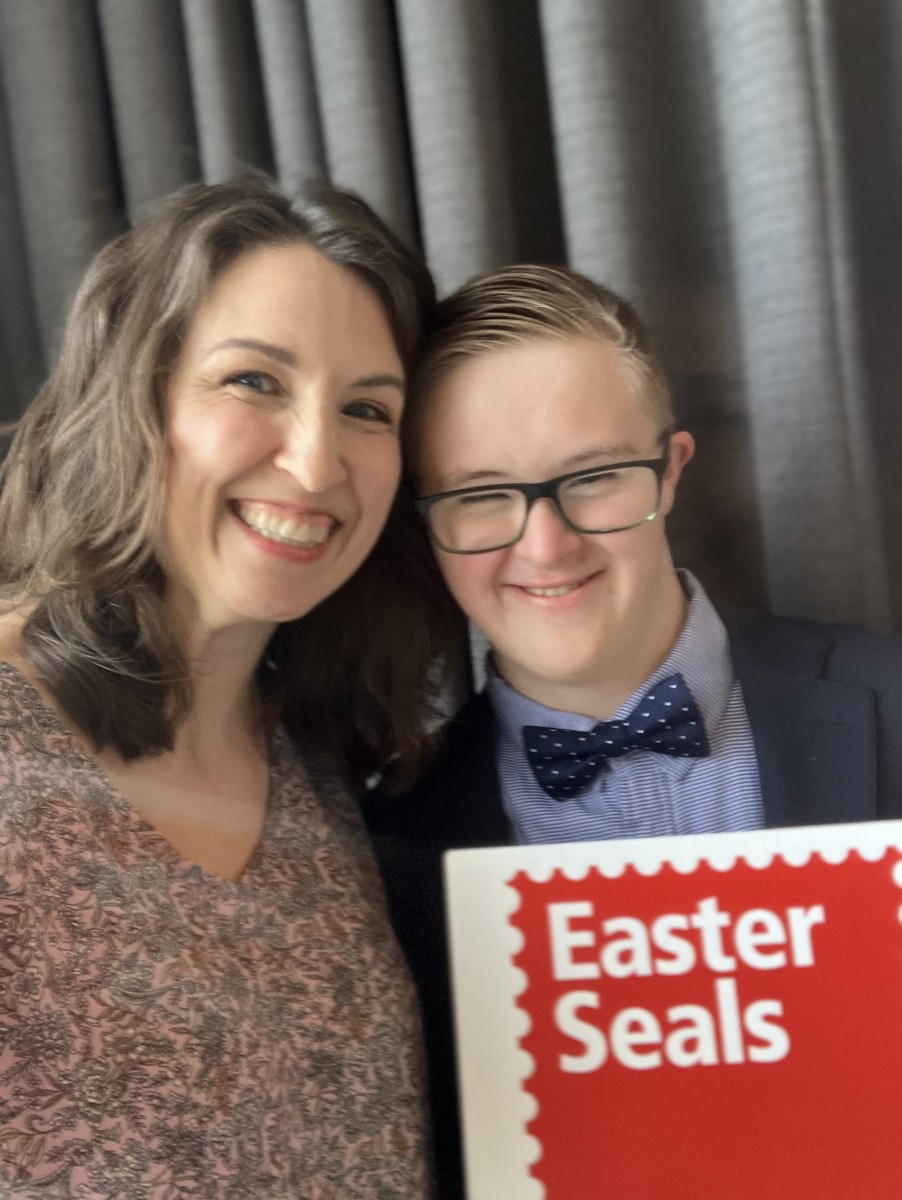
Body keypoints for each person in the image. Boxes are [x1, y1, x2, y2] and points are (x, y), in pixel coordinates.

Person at [363, 263, 902, 1197]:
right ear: (424, 524)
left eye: (595, 477)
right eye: (481, 495)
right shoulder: (389, 853)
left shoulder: (890, 700)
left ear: (672, 469)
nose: (545, 546)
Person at [0, 176, 461, 1198]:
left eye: (367, 409)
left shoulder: (323, 768)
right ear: (135, 396)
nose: (315, 462)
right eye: (254, 381)